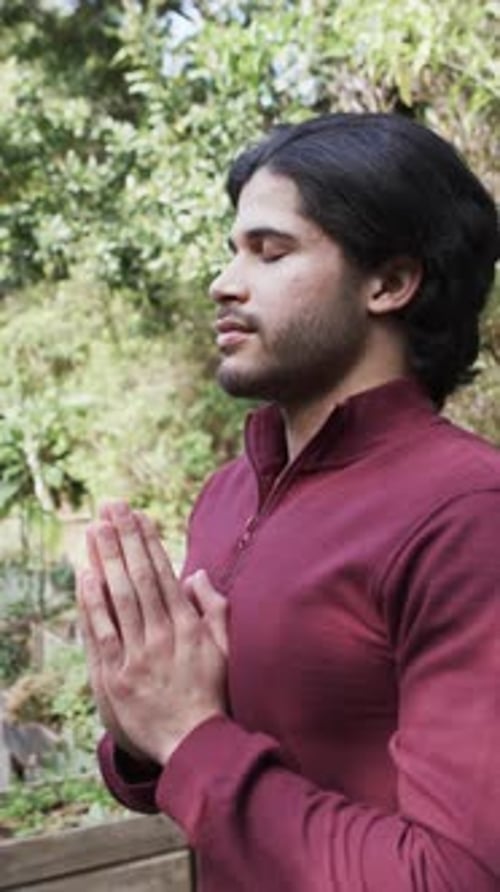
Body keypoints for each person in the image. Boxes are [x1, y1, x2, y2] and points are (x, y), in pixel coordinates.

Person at [77, 112, 500, 891]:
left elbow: (455, 876)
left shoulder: (469, 514)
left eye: (270, 252)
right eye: (233, 249)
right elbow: (187, 763)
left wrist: (189, 736)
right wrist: (140, 719)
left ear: (389, 283)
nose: (224, 282)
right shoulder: (228, 492)